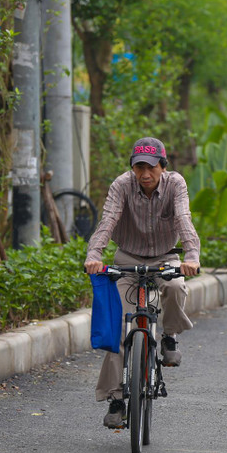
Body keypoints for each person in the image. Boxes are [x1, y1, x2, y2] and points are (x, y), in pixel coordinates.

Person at [84, 137, 201, 428]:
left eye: (151, 167)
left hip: (165, 258)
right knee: (120, 325)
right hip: (127, 259)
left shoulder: (176, 184)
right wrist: (94, 254)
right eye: (139, 167)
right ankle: (116, 400)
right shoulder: (121, 185)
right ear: (133, 168)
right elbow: (108, 221)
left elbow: (184, 220)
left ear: (163, 166)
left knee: (175, 287)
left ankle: (170, 336)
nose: (145, 174)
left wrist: (192, 255)